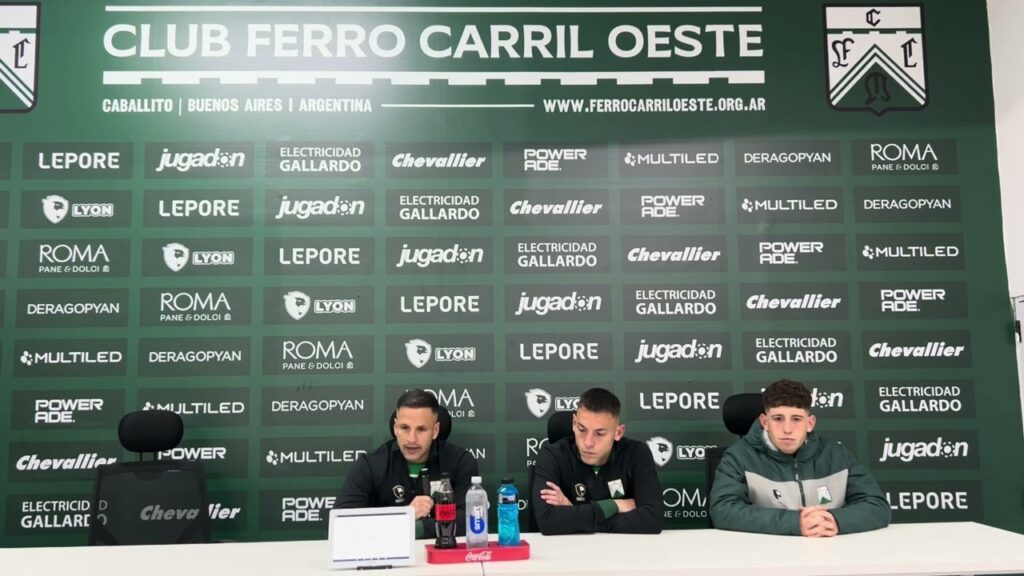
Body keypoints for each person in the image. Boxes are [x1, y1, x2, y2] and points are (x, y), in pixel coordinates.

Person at [710, 379, 891, 537]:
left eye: (796, 419)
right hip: (766, 559)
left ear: (810, 423)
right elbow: (723, 510)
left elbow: (877, 506)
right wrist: (795, 523)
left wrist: (835, 520)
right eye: (778, 418)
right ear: (765, 422)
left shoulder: (836, 454)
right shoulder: (739, 456)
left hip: (830, 556)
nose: (787, 429)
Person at [334, 389, 479, 539]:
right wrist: (404, 516)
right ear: (395, 427)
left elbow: (472, 520)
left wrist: (417, 528)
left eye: (421, 429)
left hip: (444, 556)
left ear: (435, 431)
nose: (411, 439)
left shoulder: (460, 461)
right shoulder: (370, 465)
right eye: (405, 428)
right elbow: (342, 523)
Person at [532, 387, 663, 535]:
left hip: (624, 552)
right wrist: (614, 505)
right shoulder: (552, 455)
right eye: (582, 429)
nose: (588, 442)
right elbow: (548, 522)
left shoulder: (636, 453)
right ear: (574, 423)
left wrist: (573, 514)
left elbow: (652, 520)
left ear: (618, 433)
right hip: (568, 551)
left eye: (599, 433)